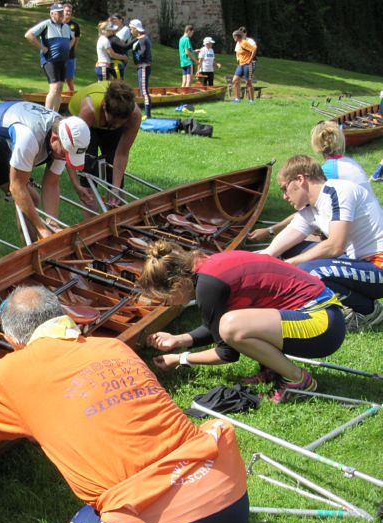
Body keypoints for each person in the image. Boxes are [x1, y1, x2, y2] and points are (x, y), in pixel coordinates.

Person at [0, 285, 298, 523]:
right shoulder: (112, 346)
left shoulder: (11, 370)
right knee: (193, 520)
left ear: (11, 339)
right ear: (62, 315)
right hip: (229, 504)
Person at [141, 243, 346, 402]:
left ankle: (299, 381)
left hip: (322, 327)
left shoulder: (208, 287)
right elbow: (217, 329)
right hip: (326, 318)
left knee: (233, 326)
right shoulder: (206, 267)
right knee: (232, 324)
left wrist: (180, 359)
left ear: (178, 284)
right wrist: (178, 340)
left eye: (166, 298)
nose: (168, 304)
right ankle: (273, 369)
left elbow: (226, 352)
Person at [260, 155, 383, 330]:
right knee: (290, 250)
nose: (284, 197)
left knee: (308, 270)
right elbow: (273, 249)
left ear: (300, 180)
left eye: (284, 188)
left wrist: (289, 265)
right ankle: (359, 304)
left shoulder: (338, 191)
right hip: (362, 264)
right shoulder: (311, 209)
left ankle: (368, 311)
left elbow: (335, 246)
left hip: (379, 266)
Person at [0, 102, 89, 265]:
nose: (66, 158)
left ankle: (32, 258)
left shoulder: (64, 140)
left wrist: (52, 224)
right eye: (65, 154)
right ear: (54, 138)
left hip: (0, 147)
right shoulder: (28, 137)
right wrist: (42, 229)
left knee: (30, 198)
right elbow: (16, 187)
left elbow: (51, 184)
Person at [248, 121, 377, 244]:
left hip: (359, 236)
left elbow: (306, 214)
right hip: (369, 223)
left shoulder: (327, 172)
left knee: (303, 240)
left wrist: (270, 231)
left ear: (316, 145)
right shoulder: (351, 162)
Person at [68, 80, 141, 205]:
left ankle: (118, 219)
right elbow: (70, 151)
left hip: (105, 118)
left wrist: (116, 188)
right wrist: (76, 185)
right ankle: (92, 221)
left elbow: (122, 154)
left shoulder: (134, 115)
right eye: (114, 123)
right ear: (104, 107)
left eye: (121, 123)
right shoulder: (88, 111)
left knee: (115, 172)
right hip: (86, 123)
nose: (117, 126)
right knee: (89, 170)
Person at [25, 3, 72, 112]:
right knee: (54, 88)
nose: (61, 14)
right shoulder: (46, 24)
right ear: (52, 14)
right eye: (59, 12)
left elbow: (70, 40)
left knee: (60, 88)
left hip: (62, 61)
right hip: (50, 60)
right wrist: (42, 47)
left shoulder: (66, 26)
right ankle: (47, 114)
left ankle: (54, 114)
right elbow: (29, 35)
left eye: (62, 12)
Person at [129, 19, 152, 118]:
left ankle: (148, 114)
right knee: (143, 91)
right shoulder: (142, 38)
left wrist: (135, 52)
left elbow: (142, 53)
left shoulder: (142, 39)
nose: (130, 31)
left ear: (135, 29)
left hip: (143, 66)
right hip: (142, 67)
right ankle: (147, 113)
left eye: (131, 29)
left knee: (144, 91)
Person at [231, 29, 255, 103]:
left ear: (237, 36)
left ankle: (251, 100)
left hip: (248, 65)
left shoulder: (244, 43)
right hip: (241, 65)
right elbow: (238, 52)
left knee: (248, 82)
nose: (233, 38)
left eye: (234, 37)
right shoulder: (239, 43)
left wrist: (250, 59)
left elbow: (254, 49)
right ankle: (237, 99)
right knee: (234, 80)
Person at [62, 3, 81, 94]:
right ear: (63, 11)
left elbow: (76, 39)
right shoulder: (58, 23)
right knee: (58, 78)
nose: (68, 13)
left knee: (69, 78)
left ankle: (71, 95)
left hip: (70, 55)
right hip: (58, 55)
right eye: (66, 11)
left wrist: (73, 49)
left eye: (70, 11)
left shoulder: (75, 25)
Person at [109, 12, 132, 81]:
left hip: (121, 55)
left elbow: (118, 42)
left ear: (121, 20)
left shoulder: (125, 29)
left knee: (118, 78)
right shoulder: (114, 30)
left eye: (115, 20)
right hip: (114, 55)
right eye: (112, 20)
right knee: (114, 78)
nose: (113, 21)